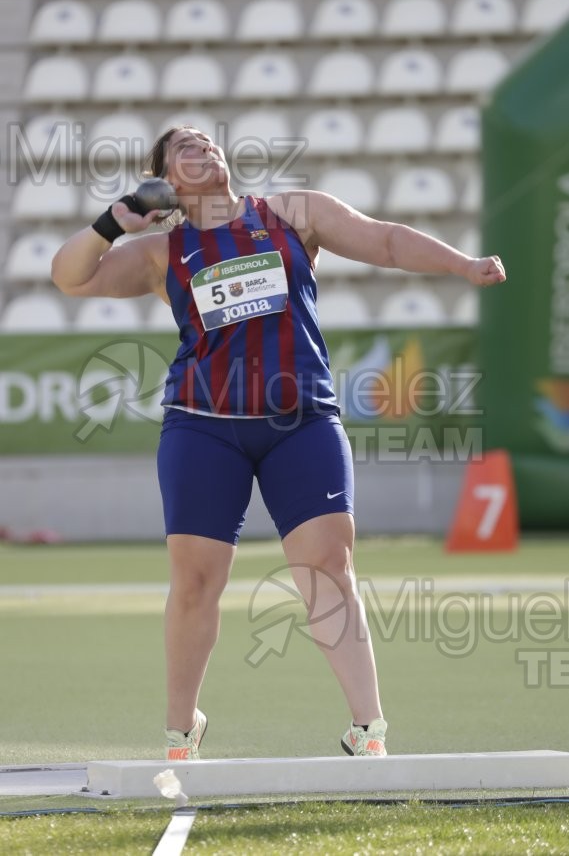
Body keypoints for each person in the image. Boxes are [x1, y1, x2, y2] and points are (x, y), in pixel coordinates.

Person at [51, 125, 506, 760]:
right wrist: (113, 222)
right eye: (184, 147)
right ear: (166, 180)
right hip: (203, 423)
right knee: (195, 581)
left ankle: (367, 731)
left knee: (327, 563)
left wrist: (462, 264)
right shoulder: (164, 250)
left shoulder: (293, 214)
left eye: (208, 141)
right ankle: (182, 732)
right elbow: (70, 277)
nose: (203, 148)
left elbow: (386, 241)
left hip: (302, 419)